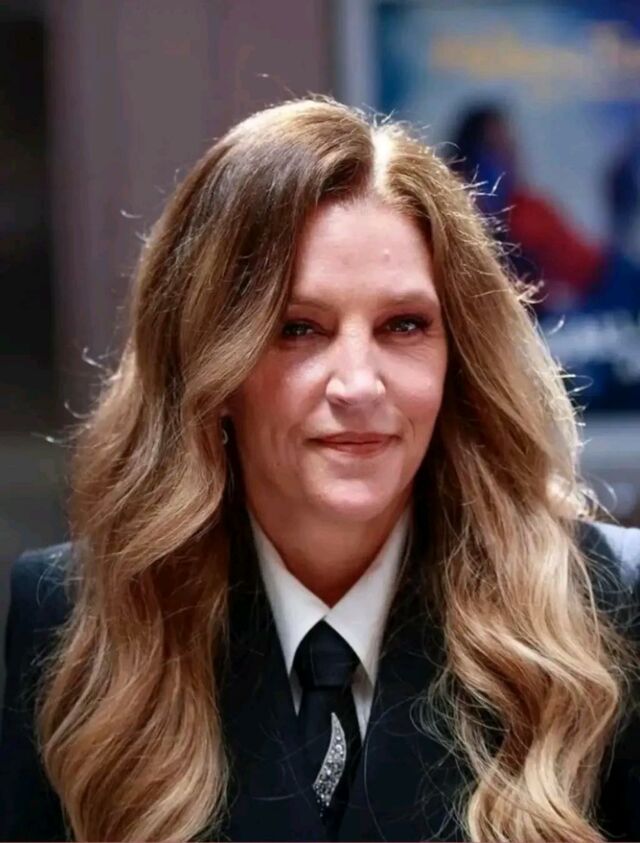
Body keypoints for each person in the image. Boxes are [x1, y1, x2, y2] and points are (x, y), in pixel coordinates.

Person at [0, 95, 639, 843]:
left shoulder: (607, 608)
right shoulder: (74, 614)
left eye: (404, 325)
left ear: (457, 358)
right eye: (298, 329)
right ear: (209, 366)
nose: (358, 385)